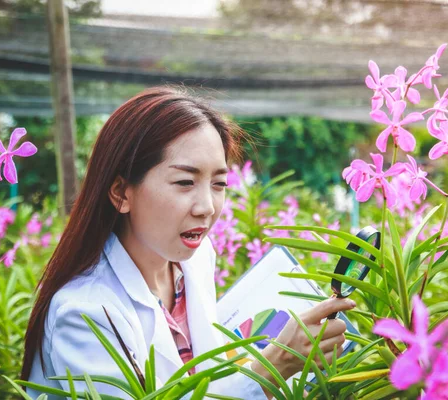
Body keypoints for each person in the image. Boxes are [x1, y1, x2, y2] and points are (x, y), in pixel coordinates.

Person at [21, 87, 356, 399]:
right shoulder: (86, 315)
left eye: (219, 183)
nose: (207, 207)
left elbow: (209, 382)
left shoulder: (194, 260)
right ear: (121, 192)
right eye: (184, 182)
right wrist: (270, 370)